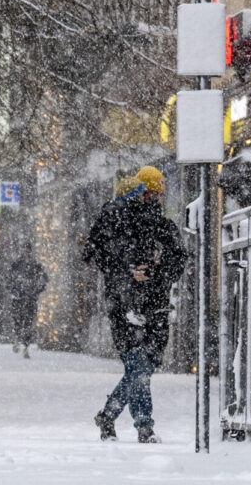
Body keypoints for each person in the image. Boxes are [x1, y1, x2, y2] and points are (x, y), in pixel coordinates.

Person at [83, 166, 187, 444]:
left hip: (153, 305)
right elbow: (105, 257)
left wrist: (155, 270)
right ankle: (145, 426)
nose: (151, 199)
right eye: (148, 194)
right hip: (126, 304)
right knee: (139, 366)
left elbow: (178, 257)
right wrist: (130, 272)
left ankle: (108, 416)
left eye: (155, 194)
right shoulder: (118, 221)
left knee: (142, 368)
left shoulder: (160, 226)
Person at [8, 243, 48, 359]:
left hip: (30, 298)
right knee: (18, 320)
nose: (25, 252)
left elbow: (44, 280)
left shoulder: (35, 266)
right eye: (24, 250)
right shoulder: (16, 265)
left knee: (28, 323)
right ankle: (17, 339)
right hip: (19, 298)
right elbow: (9, 279)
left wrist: (37, 291)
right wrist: (13, 291)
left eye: (27, 250)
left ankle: (25, 346)